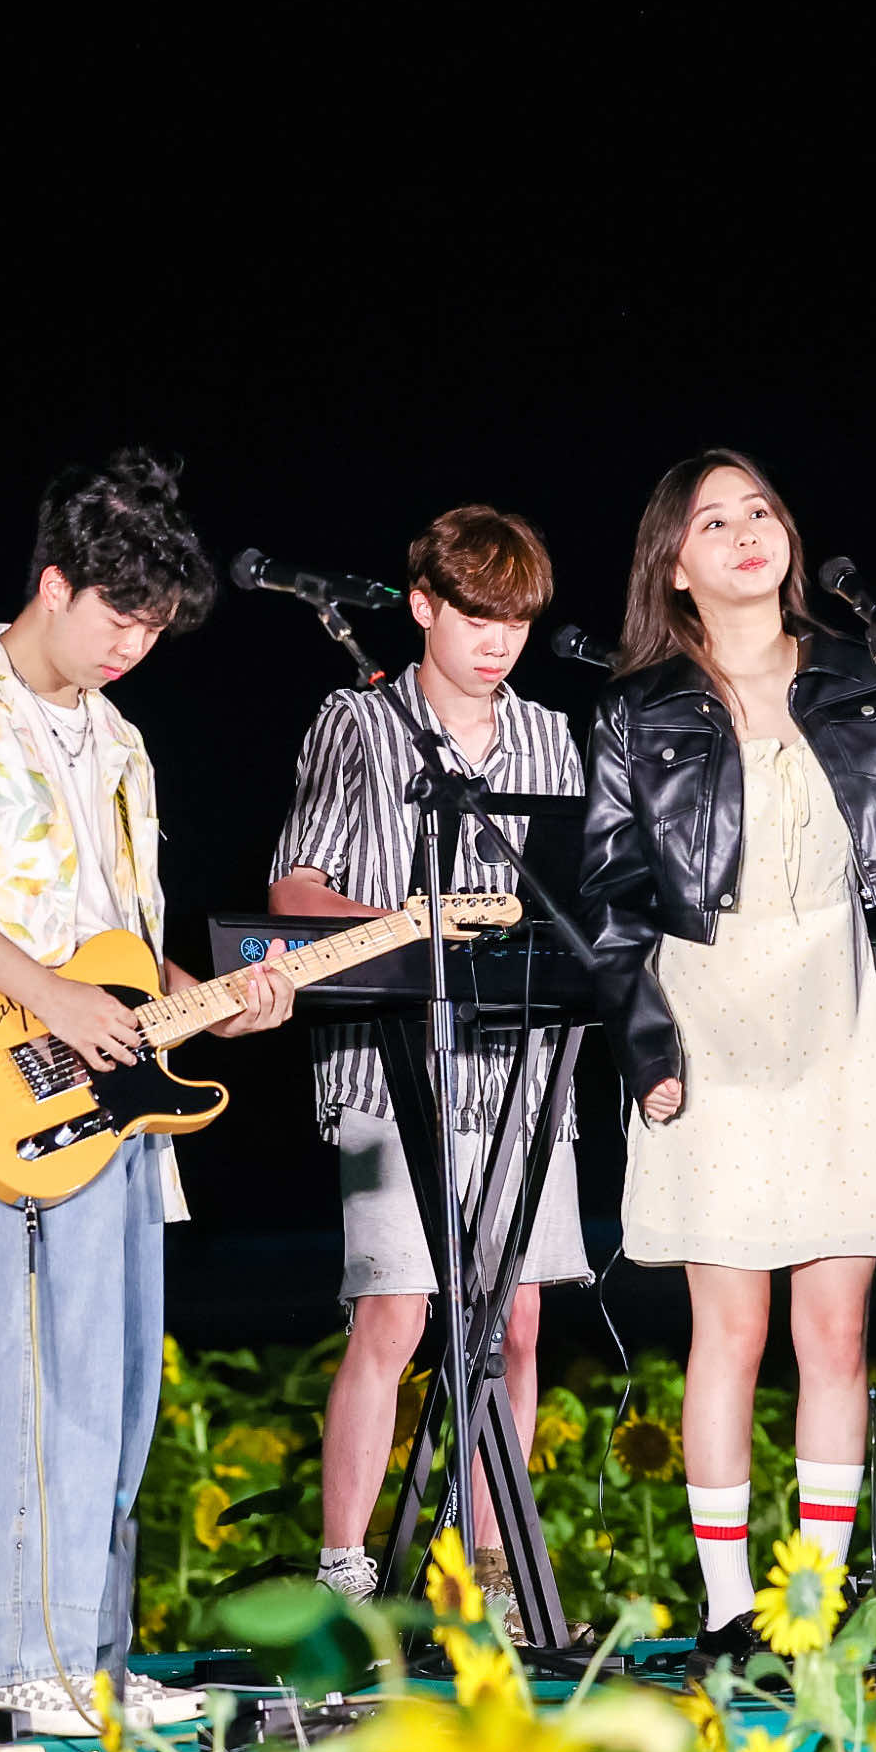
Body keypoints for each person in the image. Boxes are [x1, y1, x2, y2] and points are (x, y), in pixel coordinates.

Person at [0, 451, 299, 1737]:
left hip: (115, 1097)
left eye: (155, 626)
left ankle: (90, 1662)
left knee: (116, 1389)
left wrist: (218, 994)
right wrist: (53, 999)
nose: (133, 645)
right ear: (53, 584)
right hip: (6, 1089)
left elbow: (114, 943)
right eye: (119, 616)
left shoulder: (121, 740)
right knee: (38, 1373)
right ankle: (19, 1667)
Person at [579, 450, 876, 1657]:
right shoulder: (637, 707)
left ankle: (815, 1596)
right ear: (676, 563)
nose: (747, 532)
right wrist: (646, 1041)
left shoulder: (862, 680)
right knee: (730, 1326)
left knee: (838, 1326)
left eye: (761, 511)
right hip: (707, 1004)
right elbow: (608, 901)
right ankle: (727, 1603)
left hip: (836, 1000)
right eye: (715, 519)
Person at [265, 505, 593, 1636]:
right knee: (394, 1317)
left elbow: (579, 904)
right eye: (475, 615)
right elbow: (295, 894)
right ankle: (346, 1573)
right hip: (389, 1059)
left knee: (516, 1324)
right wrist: (413, 927)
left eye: (516, 619)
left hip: (521, 1068)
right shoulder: (358, 722)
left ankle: (489, 1581)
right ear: (422, 607)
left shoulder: (554, 737)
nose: (498, 641)